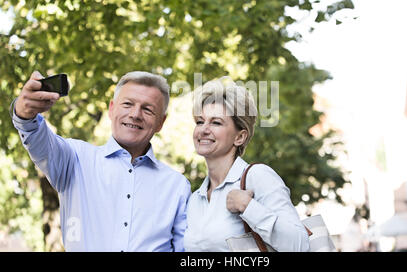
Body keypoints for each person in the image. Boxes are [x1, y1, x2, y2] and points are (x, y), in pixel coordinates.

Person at [11, 71, 191, 252]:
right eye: (127, 104)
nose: (136, 114)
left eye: (148, 109)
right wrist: (25, 113)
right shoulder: (74, 159)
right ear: (111, 109)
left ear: (161, 122)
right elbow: (37, 138)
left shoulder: (177, 186)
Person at [184, 78, 310, 251]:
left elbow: (300, 244)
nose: (203, 129)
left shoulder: (257, 176)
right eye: (200, 121)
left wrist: (248, 207)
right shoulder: (195, 200)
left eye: (216, 122)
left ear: (240, 137)